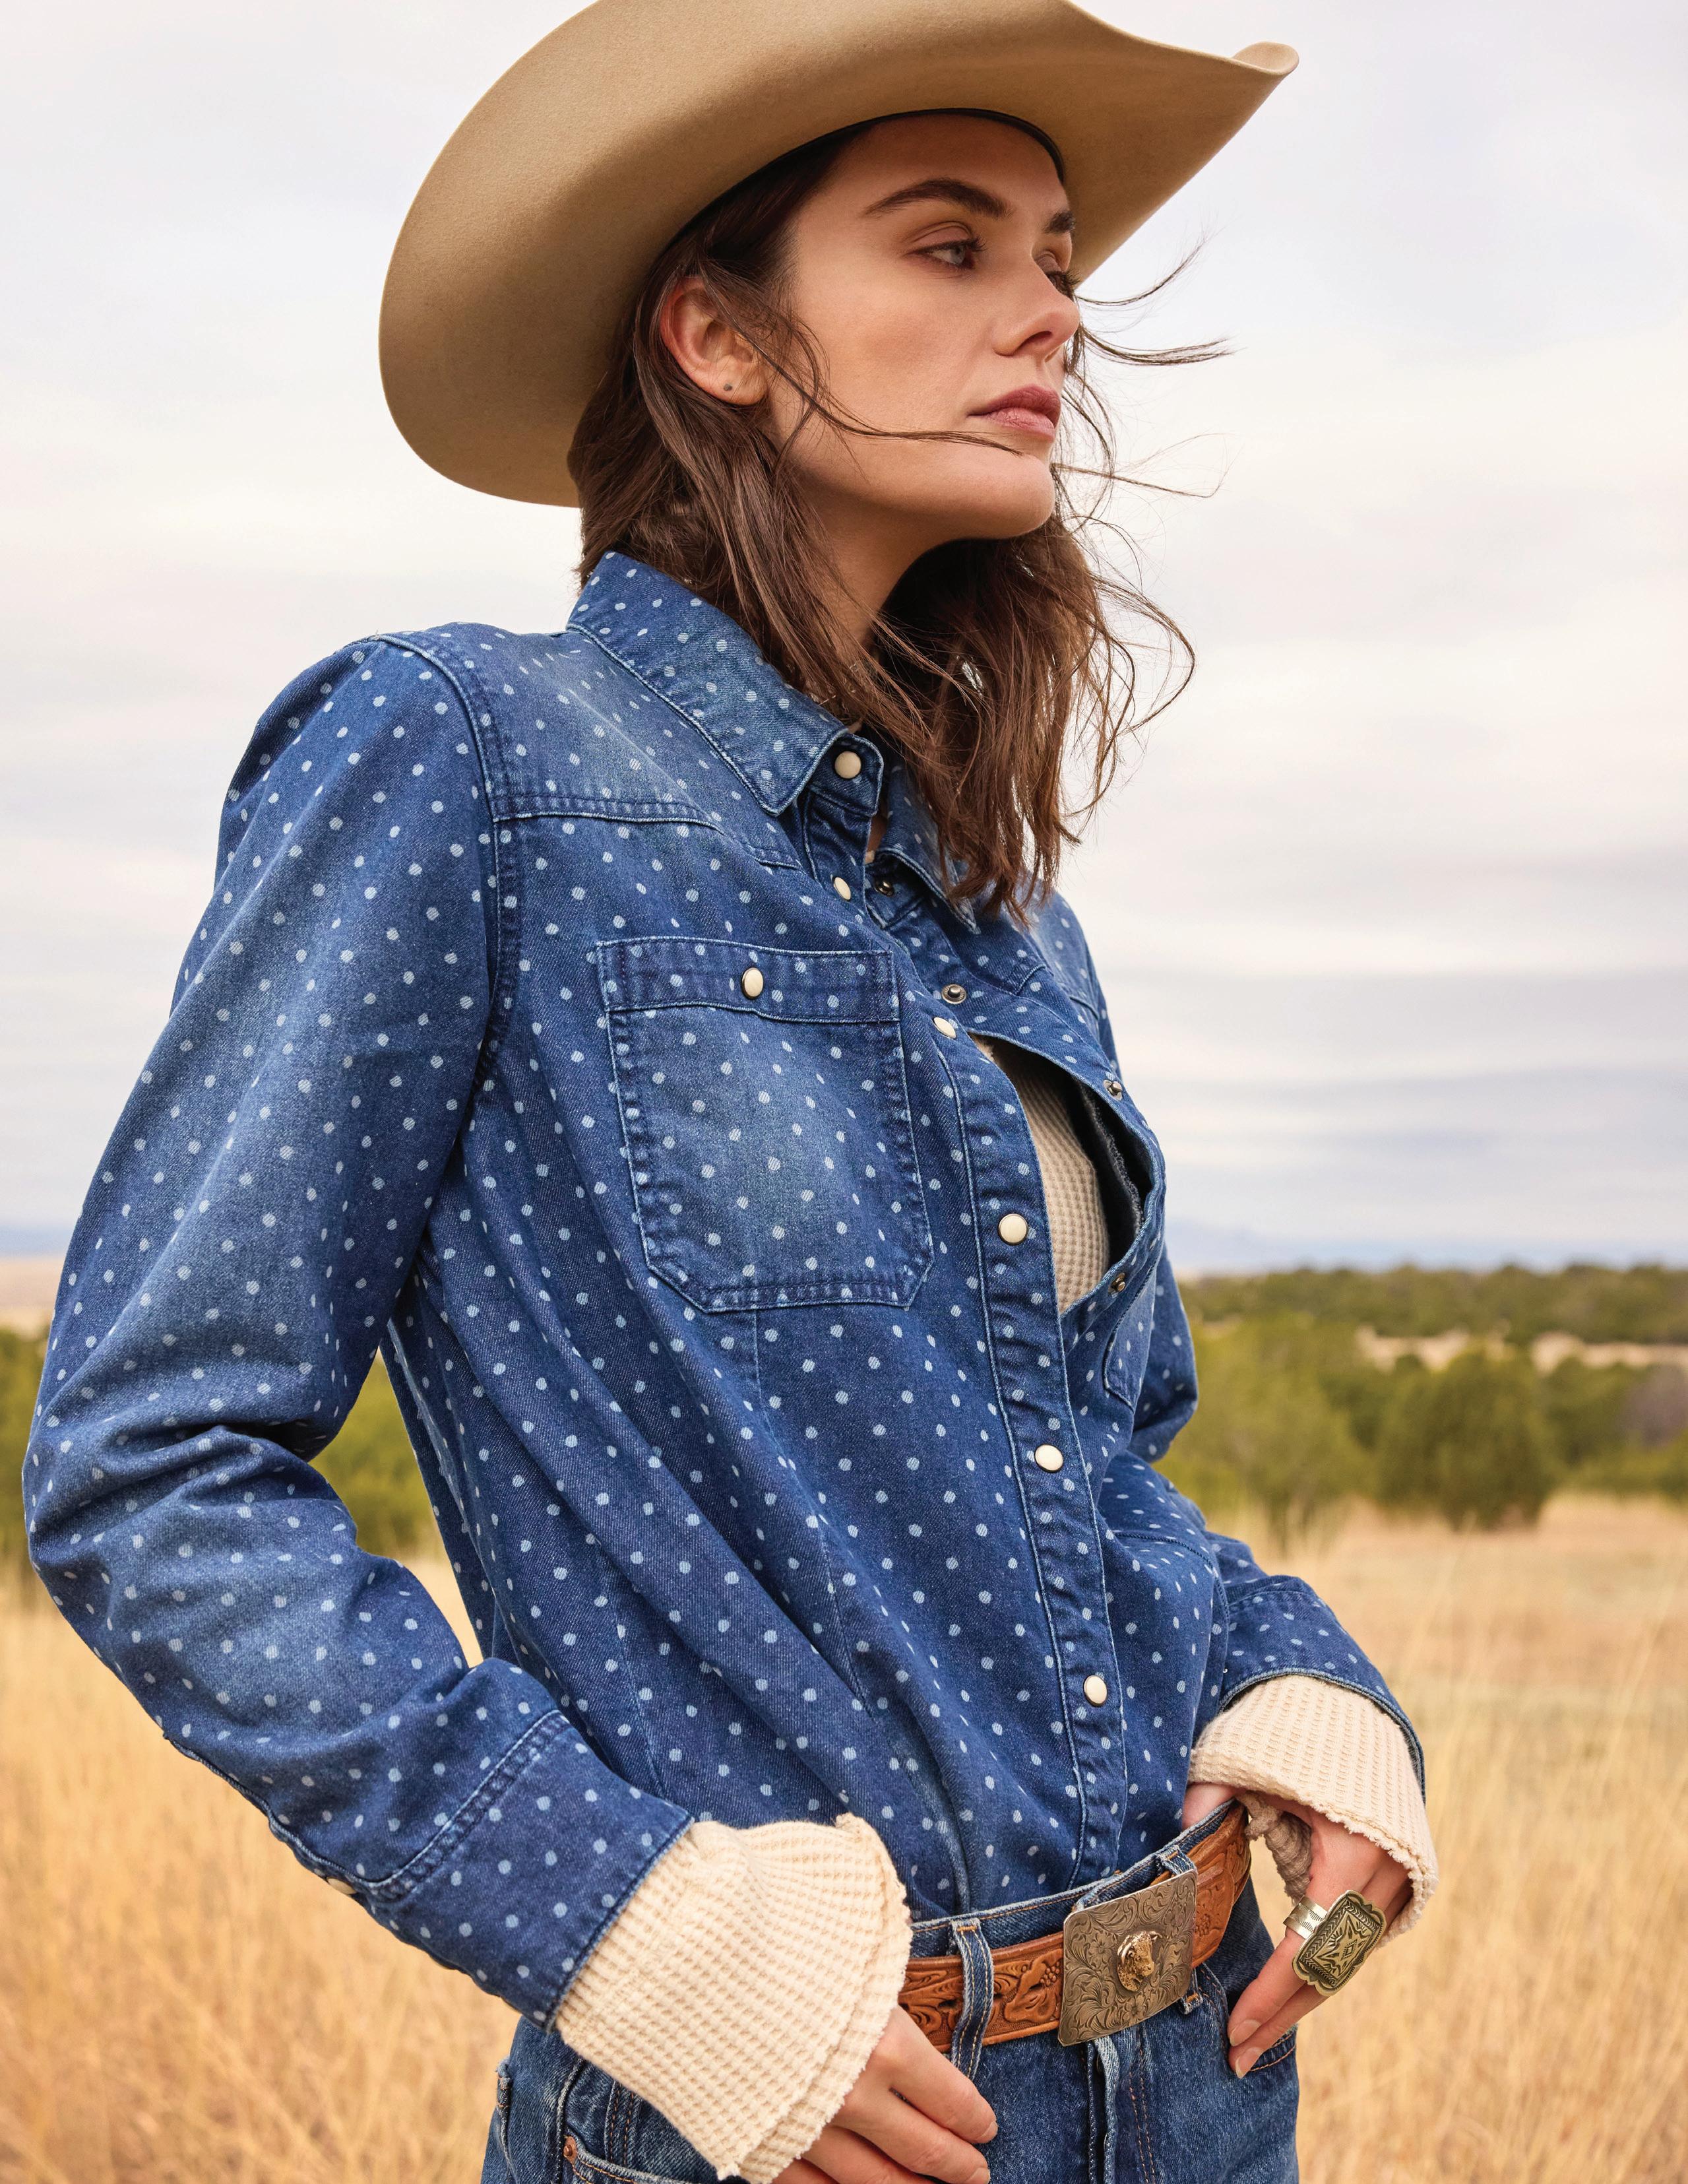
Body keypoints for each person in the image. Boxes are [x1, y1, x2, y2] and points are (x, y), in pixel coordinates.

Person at [24, 5, 1437, 2180]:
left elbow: (1092, 1464)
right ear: (721, 334)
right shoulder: (463, 762)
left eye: (1055, 258)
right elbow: (151, 1468)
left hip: (1200, 2079)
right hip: (793, 2119)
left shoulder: (996, 899)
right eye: (950, 246)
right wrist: (617, 1917)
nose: (1050, 312)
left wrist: (1297, 1678)